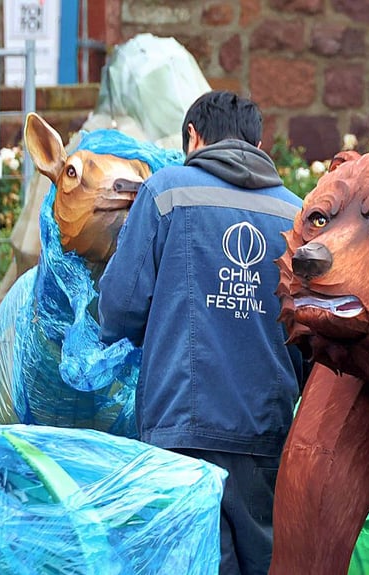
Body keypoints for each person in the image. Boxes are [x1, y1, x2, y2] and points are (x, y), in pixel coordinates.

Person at [98, 90, 307, 574]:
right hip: (267, 428)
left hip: (182, 425)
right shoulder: (296, 214)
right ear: (258, 142)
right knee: (262, 558)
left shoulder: (167, 191)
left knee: (194, 559)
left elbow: (120, 308)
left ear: (192, 136)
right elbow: (311, 331)